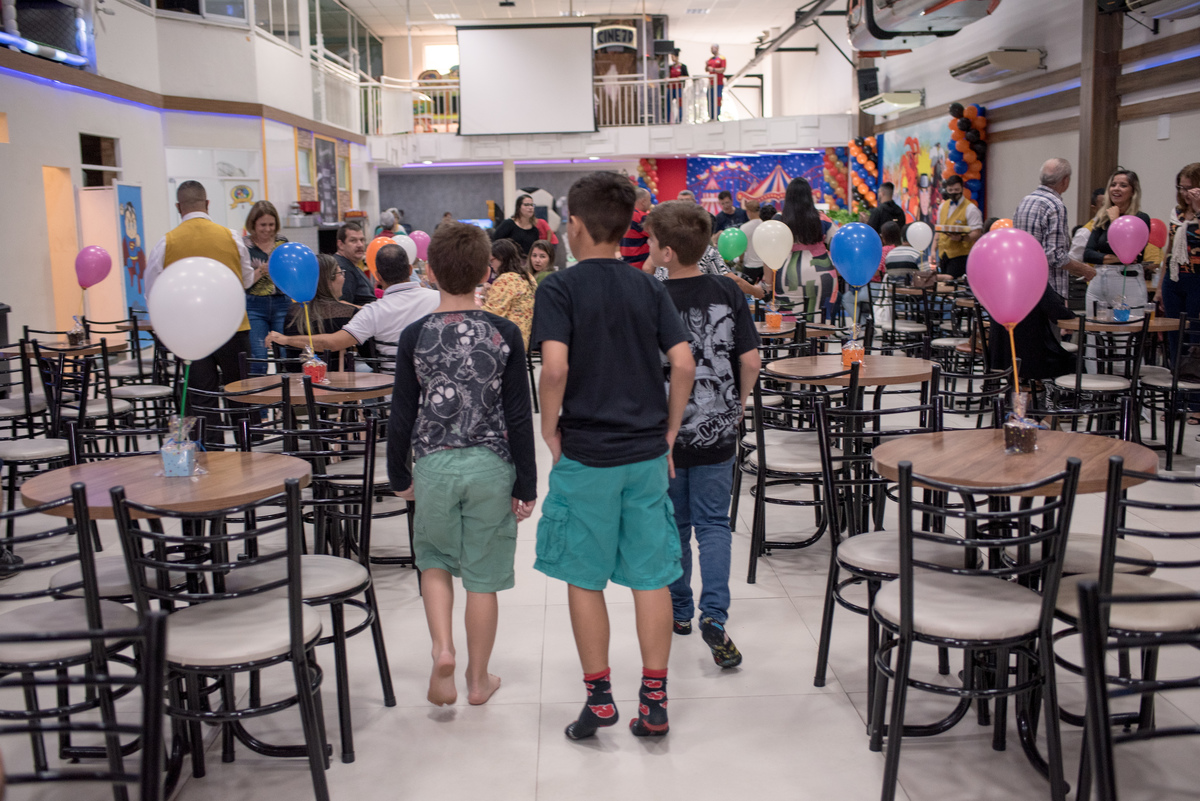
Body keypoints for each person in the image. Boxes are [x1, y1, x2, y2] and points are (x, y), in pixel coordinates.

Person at [531, 172, 695, 740]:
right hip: (646, 455)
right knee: (652, 577)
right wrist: (669, 435)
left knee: (585, 576)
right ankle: (654, 703)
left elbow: (554, 369)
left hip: (587, 454)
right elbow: (684, 362)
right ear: (627, 226)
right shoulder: (648, 286)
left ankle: (599, 699)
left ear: (573, 225)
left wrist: (549, 431)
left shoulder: (557, 289)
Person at [387, 221, 536, 708]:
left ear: (428, 271)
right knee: (483, 576)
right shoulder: (505, 332)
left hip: (433, 464)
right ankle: (477, 679)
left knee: (433, 559)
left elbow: (402, 410)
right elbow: (518, 413)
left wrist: (398, 474)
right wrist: (527, 483)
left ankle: (442, 647)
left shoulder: (415, 335)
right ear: (485, 272)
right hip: (492, 465)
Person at [644, 200, 760, 669]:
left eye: (652, 242)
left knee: (675, 524)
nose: (648, 248)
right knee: (714, 525)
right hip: (717, 428)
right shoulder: (728, 290)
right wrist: (738, 405)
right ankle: (716, 616)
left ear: (668, 252)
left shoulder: (650, 295)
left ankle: (680, 610)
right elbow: (750, 360)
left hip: (665, 433)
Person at [146, 181, 253, 437]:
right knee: (240, 391)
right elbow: (246, 279)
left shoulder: (166, 243)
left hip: (189, 333)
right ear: (207, 204)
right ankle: (248, 445)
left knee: (202, 397)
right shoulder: (232, 237)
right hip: (234, 327)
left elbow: (152, 291)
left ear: (177, 207)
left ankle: (210, 451)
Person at [267, 244, 438, 365]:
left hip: (391, 389)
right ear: (410, 270)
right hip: (435, 377)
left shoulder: (373, 312)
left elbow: (333, 343)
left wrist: (287, 340)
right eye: (341, 273)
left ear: (377, 276)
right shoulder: (439, 299)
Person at [1014, 158, 1096, 298]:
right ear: (1065, 180)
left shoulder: (1025, 201)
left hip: (1024, 284)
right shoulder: (1055, 205)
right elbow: (1054, 256)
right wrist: (1083, 269)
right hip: (1048, 290)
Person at [1083, 168, 1150, 319]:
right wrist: (1117, 257)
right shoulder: (1102, 218)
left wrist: (1116, 221)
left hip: (1127, 280)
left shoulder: (1141, 218)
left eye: (1123, 185)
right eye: (1113, 185)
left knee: (1125, 333)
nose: (1116, 189)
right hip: (1099, 279)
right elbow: (1088, 254)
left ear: (1133, 191)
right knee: (1095, 334)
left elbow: (1134, 255)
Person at [280, 254, 361, 370]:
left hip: (298, 382)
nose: (344, 277)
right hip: (338, 383)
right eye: (341, 273)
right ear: (329, 280)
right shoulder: (348, 313)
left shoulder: (293, 312)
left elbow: (291, 362)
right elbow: (369, 356)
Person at [242, 200, 290, 376]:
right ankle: (259, 402)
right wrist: (262, 270)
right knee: (258, 358)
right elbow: (243, 282)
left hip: (281, 302)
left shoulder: (282, 242)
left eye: (271, 224)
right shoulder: (244, 245)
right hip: (254, 305)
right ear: (253, 224)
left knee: (285, 355)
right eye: (263, 225)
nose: (268, 229)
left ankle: (287, 399)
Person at [1160, 162, 1200, 370]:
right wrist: (1159, 287)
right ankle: (1177, 386)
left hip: (1197, 281)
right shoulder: (1176, 213)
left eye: (1190, 188)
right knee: (1175, 334)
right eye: (1181, 188)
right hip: (1174, 280)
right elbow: (1170, 251)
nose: (1185, 193)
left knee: (1195, 335)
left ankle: (1194, 397)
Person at [779, 177, 836, 315]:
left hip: (788, 273)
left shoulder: (779, 220)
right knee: (819, 321)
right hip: (822, 271)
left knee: (789, 324)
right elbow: (838, 242)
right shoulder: (822, 219)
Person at [483, 239, 537, 348]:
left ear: (501, 259)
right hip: (525, 339)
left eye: (492, 261)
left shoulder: (505, 280)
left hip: (507, 342)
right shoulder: (528, 277)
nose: (491, 266)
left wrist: (475, 303)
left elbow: (490, 315)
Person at [932, 175, 983, 279]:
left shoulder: (970, 208)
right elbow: (938, 230)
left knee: (952, 284)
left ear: (962, 189)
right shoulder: (943, 206)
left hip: (960, 255)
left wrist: (962, 238)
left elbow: (977, 232)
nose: (953, 192)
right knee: (943, 286)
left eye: (956, 189)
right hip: (943, 254)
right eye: (950, 190)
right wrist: (933, 250)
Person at [333, 222, 378, 305]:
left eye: (362, 240)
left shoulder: (350, 264)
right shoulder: (342, 269)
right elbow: (343, 306)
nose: (360, 245)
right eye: (353, 241)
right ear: (341, 245)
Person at [1068, 187, 1107, 262]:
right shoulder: (1085, 232)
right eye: (1103, 205)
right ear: (1094, 208)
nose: (1108, 208)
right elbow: (1073, 260)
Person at [620, 187, 652, 269]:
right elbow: (658, 234)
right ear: (643, 202)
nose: (650, 203)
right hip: (640, 263)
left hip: (626, 262)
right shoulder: (641, 217)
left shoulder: (624, 214)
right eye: (649, 200)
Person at [739, 199, 764, 284]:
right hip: (764, 266)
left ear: (748, 211)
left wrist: (740, 260)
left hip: (750, 266)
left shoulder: (744, 228)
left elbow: (741, 249)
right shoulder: (765, 225)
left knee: (745, 293)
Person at [705, 43, 726, 120]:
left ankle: (717, 115)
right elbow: (707, 69)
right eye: (711, 48)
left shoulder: (721, 58)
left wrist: (713, 70)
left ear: (717, 48)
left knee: (717, 99)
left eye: (713, 48)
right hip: (711, 83)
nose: (712, 50)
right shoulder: (710, 59)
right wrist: (706, 65)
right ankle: (710, 116)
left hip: (718, 83)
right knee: (710, 99)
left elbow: (723, 69)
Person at [668, 49, 688, 124]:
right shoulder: (670, 67)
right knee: (669, 105)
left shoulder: (683, 67)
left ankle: (679, 120)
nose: (672, 58)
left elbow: (686, 76)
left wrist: (681, 78)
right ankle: (668, 120)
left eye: (673, 56)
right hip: (671, 88)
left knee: (679, 105)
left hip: (679, 88)